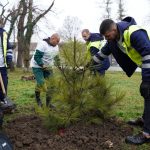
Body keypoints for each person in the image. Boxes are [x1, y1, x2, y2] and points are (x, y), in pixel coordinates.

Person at [92, 16, 150, 145]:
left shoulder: (134, 33)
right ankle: (145, 120)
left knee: (149, 94)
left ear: (114, 29)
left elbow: (147, 54)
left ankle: (146, 135)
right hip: (147, 65)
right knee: (147, 95)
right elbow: (102, 53)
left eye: (107, 36)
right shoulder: (114, 39)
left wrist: (146, 80)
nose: (106, 39)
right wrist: (87, 66)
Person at [30, 33, 60, 107]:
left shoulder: (56, 46)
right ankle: (38, 101)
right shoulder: (43, 45)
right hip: (37, 66)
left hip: (48, 66)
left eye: (58, 42)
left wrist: (59, 64)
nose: (57, 44)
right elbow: (36, 57)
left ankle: (48, 104)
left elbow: (56, 57)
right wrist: (42, 65)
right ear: (52, 38)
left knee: (51, 84)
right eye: (57, 41)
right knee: (41, 83)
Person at [0, 26, 13, 127]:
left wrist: (9, 58)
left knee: (4, 84)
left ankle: (2, 102)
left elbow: (9, 47)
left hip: (2, 65)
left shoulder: (4, 33)